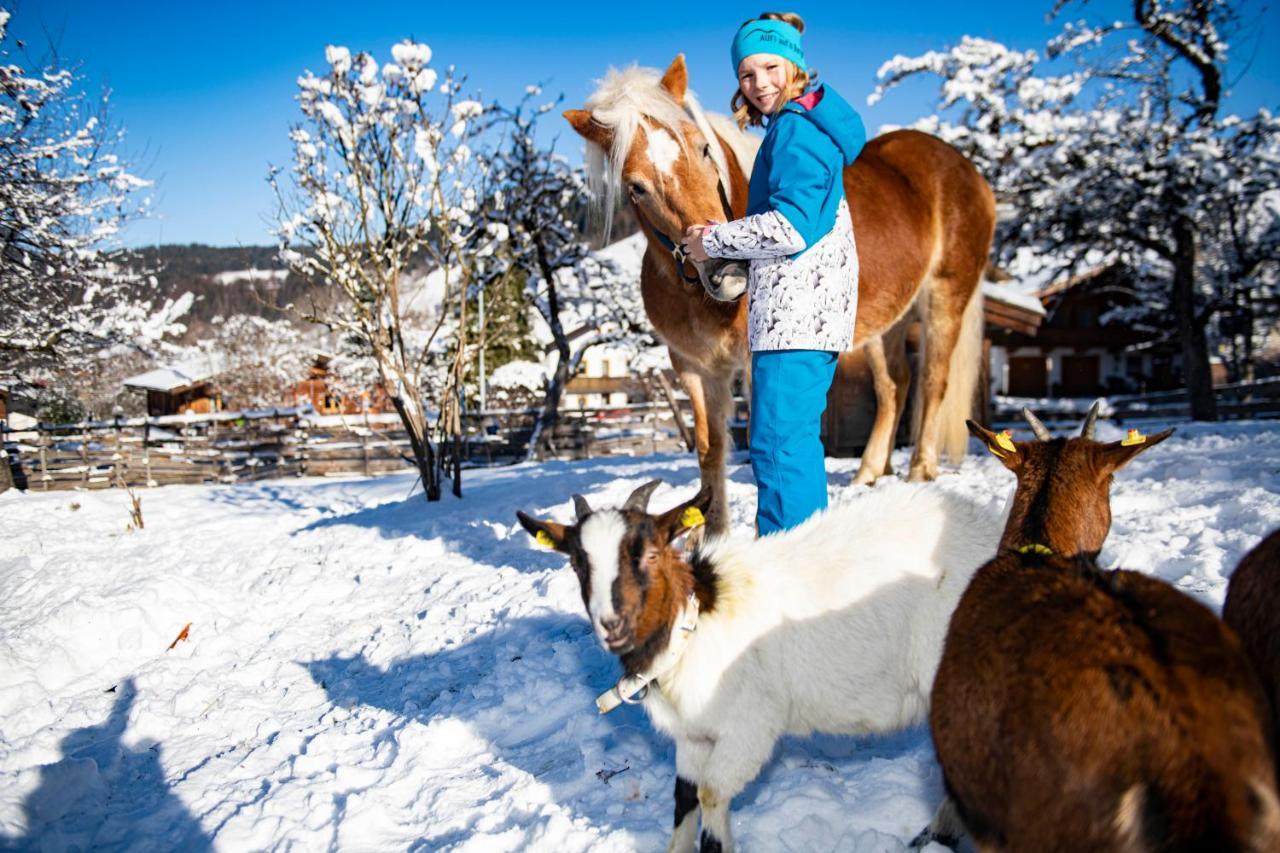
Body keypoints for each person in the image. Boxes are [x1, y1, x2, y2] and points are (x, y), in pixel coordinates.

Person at [684, 11, 865, 536]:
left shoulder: (796, 130)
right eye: (746, 74)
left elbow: (791, 227)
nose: (759, 82)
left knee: (779, 447)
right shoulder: (801, 127)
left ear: (795, 66)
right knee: (782, 444)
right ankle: (794, 564)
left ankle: (794, 574)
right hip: (799, 315)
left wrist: (711, 240)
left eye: (770, 67)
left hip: (797, 318)